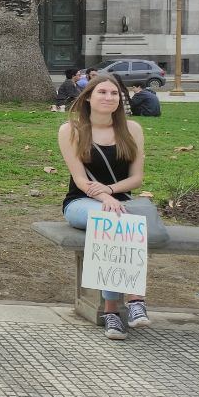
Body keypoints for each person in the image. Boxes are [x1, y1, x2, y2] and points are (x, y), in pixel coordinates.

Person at [58, 74, 149, 340]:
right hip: (80, 202)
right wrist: (104, 199)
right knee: (111, 220)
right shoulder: (71, 130)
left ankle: (116, 311)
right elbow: (80, 179)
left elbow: (136, 178)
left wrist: (110, 191)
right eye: (102, 92)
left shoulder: (132, 129)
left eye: (114, 94)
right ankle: (133, 302)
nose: (109, 98)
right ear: (88, 97)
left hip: (119, 202)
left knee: (117, 222)